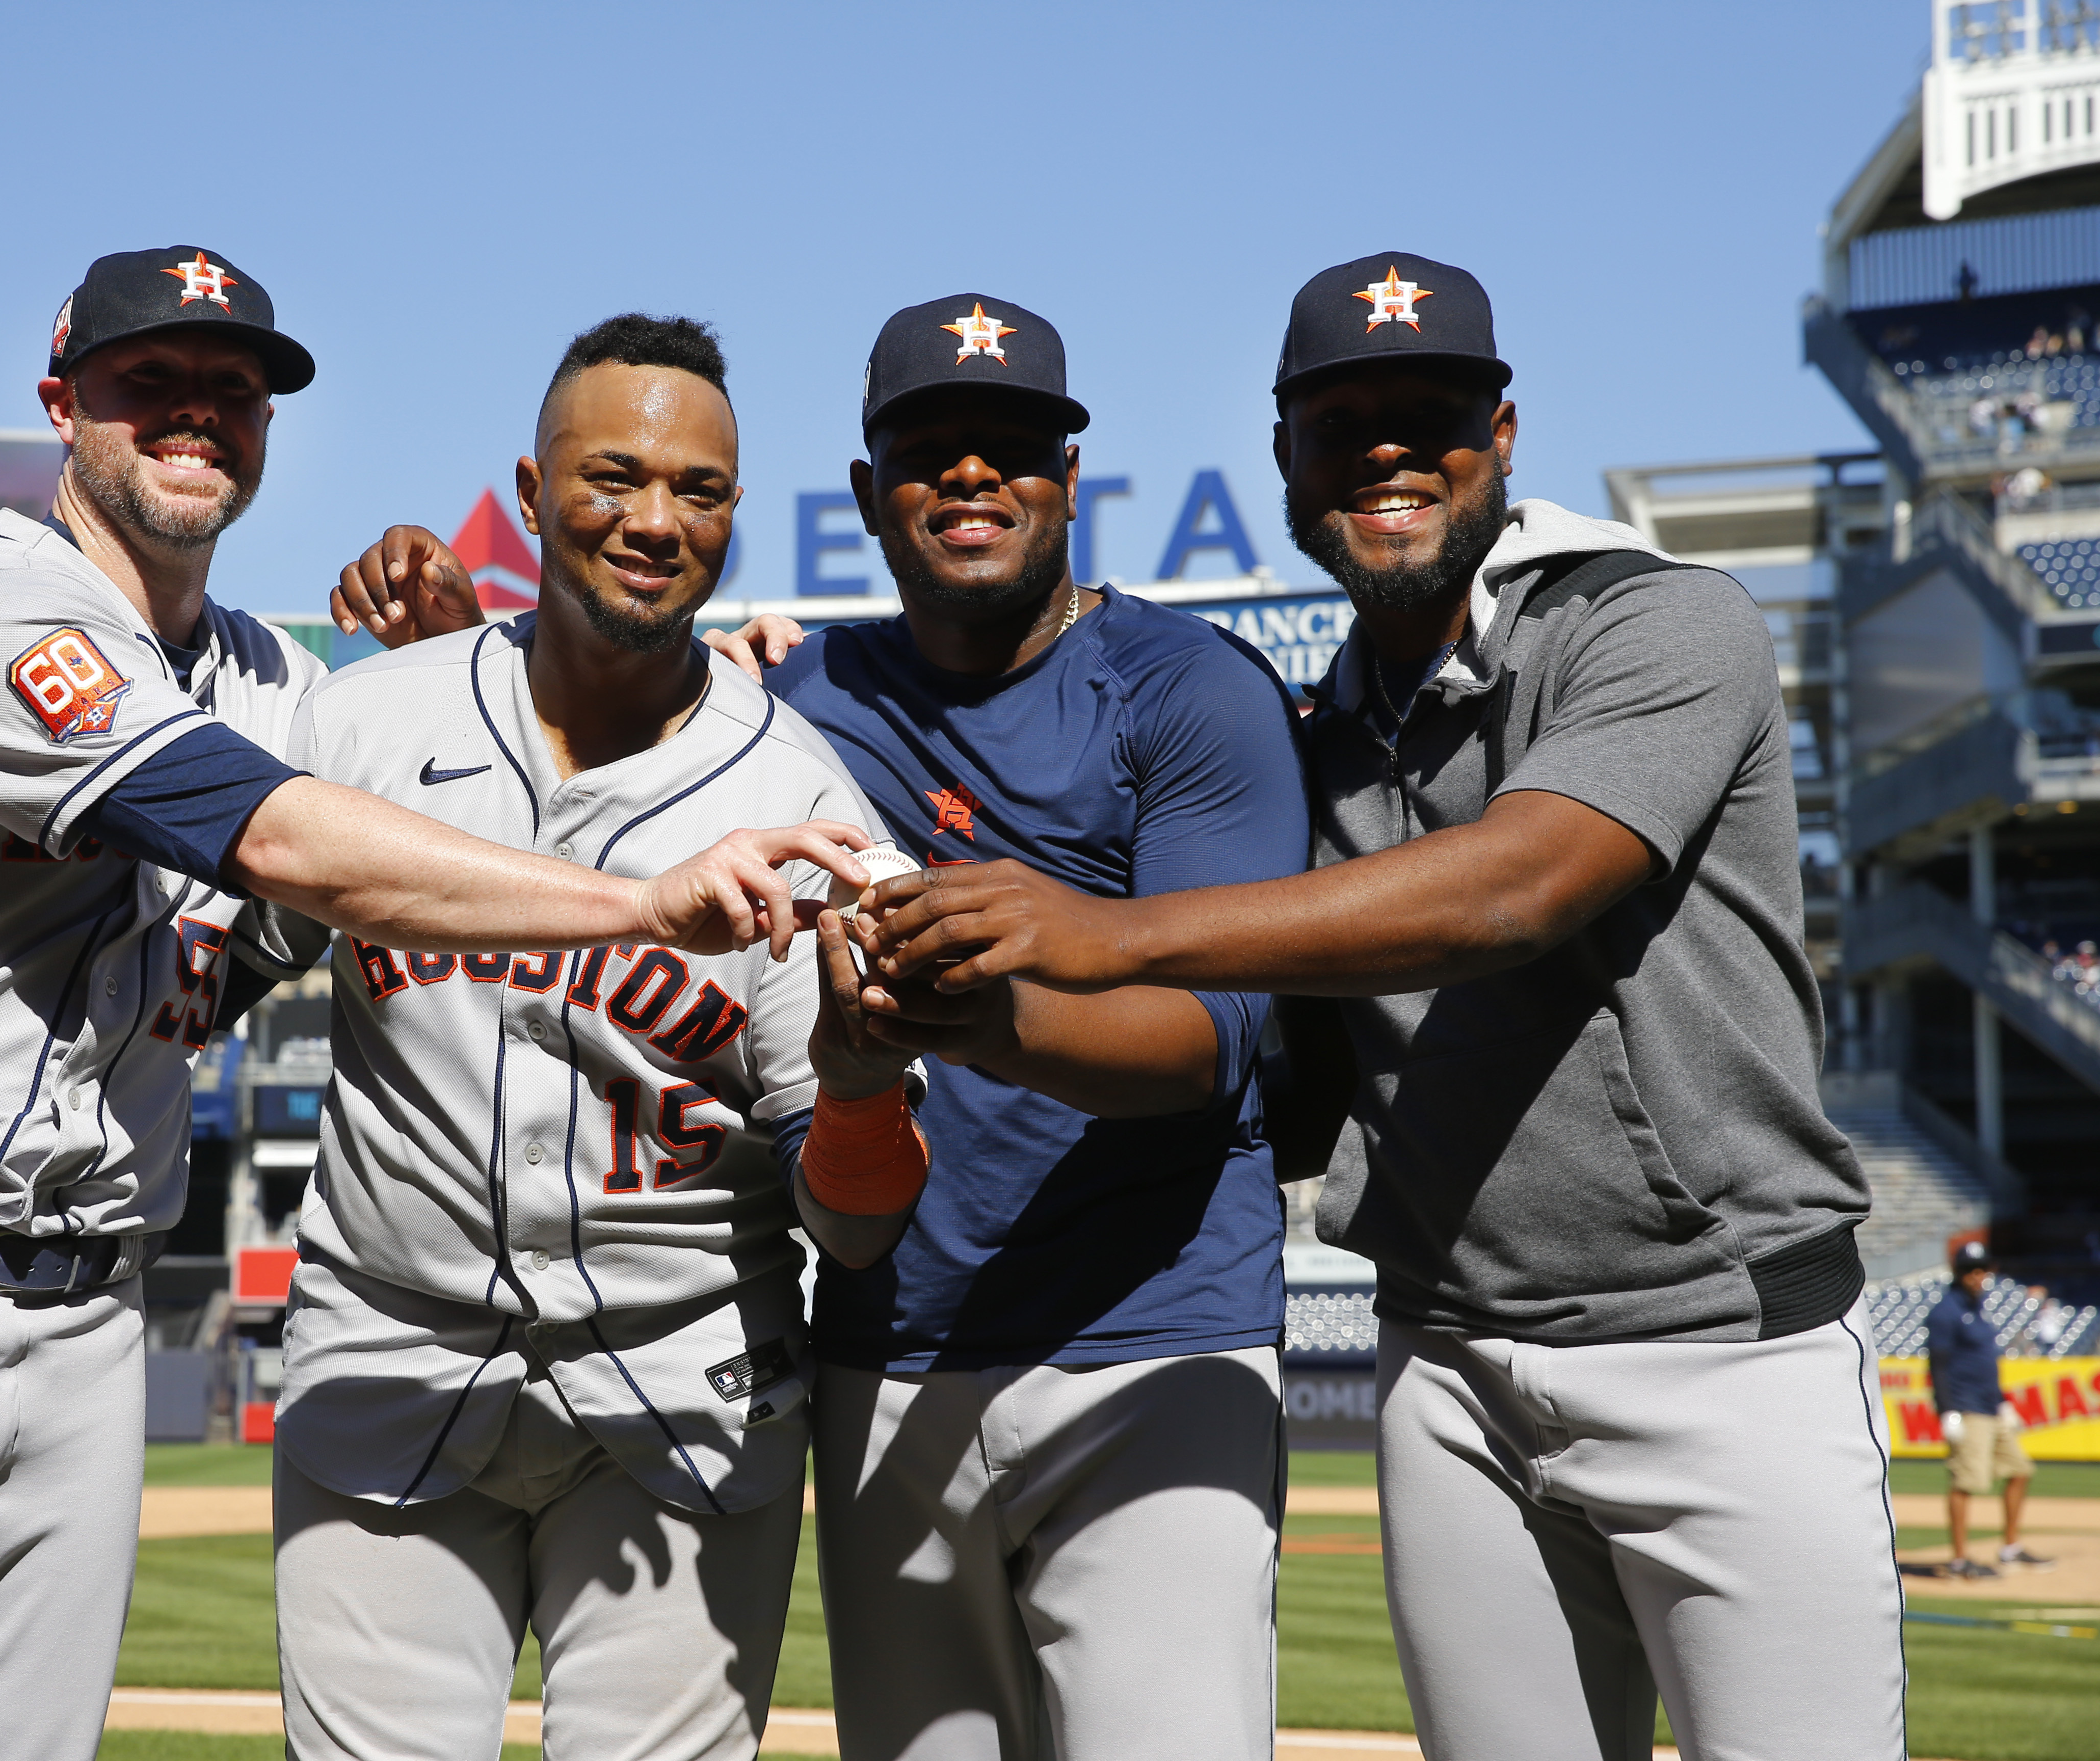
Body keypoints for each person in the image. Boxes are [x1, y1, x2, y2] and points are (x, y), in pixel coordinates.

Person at [0, 252, 868, 1761]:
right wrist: (640, 900)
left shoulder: (291, 692)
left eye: (234, 390)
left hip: (88, 1318)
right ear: (60, 405)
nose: (196, 415)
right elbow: (282, 839)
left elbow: (408, 788)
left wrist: (554, 654)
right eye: (148, 381)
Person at [865, 253, 1906, 1761]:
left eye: (1430, 414)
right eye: (1342, 422)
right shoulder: (1326, 728)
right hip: (1446, 1367)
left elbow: (1511, 892)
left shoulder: (1658, 625)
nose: (1388, 451)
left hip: (1724, 1348)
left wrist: (1108, 939)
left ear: (1503, 436)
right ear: (1286, 455)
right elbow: (1284, 1070)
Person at [267, 314, 926, 1761]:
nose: (655, 519)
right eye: (613, 476)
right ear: (529, 486)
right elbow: (188, 960)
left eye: (699, 490)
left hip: (681, 1395)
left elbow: (857, 1226)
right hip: (393, 1363)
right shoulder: (366, 724)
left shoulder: (805, 807)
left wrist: (867, 1091)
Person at [774, 295, 1309, 1760]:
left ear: (1069, 482)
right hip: (885, 1350)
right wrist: (466, 637)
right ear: (870, 494)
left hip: (1151, 1342)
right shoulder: (798, 696)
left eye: (1011, 447)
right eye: (929, 449)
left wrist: (982, 1019)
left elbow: (1213, 1050)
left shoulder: (1187, 688)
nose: (970, 476)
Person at [1928, 1240, 2054, 1576]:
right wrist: (1947, 1411)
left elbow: (1984, 1363)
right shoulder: (1946, 1312)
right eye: (1971, 1269)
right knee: (1966, 1482)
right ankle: (1959, 1561)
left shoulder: (1979, 1306)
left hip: (1990, 1406)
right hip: (1966, 1408)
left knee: (2020, 1470)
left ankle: (2010, 1549)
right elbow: (1938, 1365)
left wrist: (2002, 1403)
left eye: (1982, 1268)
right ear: (1958, 1272)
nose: (1977, 1275)